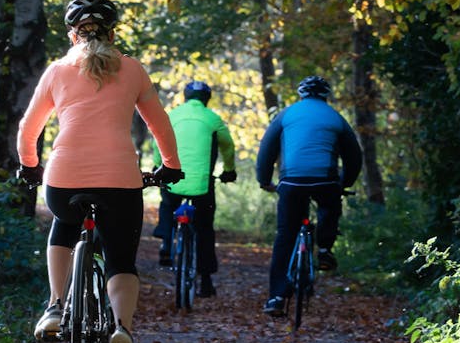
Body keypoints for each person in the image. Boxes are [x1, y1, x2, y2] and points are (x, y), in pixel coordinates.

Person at [15, 0, 184, 343]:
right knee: (121, 259)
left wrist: (30, 166)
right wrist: (171, 167)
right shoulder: (133, 69)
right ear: (112, 33)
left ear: (73, 35)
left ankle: (56, 306)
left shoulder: (57, 70)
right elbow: (160, 126)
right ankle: (121, 328)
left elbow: (28, 129)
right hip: (120, 181)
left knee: (63, 224)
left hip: (64, 178)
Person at [255, 75, 363, 317]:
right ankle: (324, 249)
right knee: (329, 207)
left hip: (291, 181)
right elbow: (354, 157)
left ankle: (276, 297)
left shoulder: (286, 115)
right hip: (326, 180)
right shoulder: (335, 117)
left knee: (285, 235)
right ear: (325, 95)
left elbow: (266, 150)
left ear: (301, 94)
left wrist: (264, 180)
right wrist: (344, 183)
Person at [153, 80, 237, 297]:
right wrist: (229, 170)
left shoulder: (172, 115)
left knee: (168, 202)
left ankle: (165, 240)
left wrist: (156, 166)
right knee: (204, 228)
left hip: (173, 179)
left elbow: (157, 141)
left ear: (185, 96)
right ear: (207, 99)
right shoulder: (213, 118)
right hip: (202, 184)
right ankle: (206, 281)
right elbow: (227, 146)